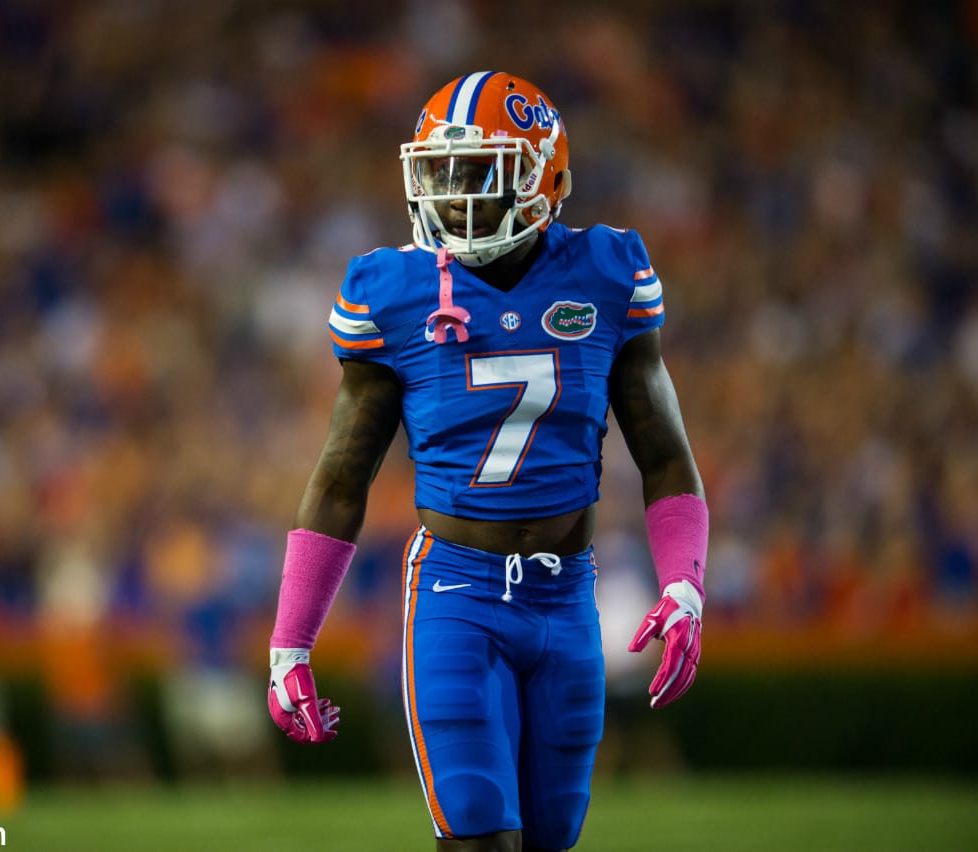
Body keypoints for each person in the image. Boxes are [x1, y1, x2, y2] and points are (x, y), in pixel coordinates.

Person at [267, 71, 708, 852]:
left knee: (550, 842)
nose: (450, 193)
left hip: (570, 597)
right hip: (454, 595)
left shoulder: (607, 273)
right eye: (438, 171)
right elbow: (341, 476)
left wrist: (684, 581)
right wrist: (290, 642)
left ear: (544, 179)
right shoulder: (395, 290)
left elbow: (665, 452)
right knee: (478, 841)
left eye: (475, 173)